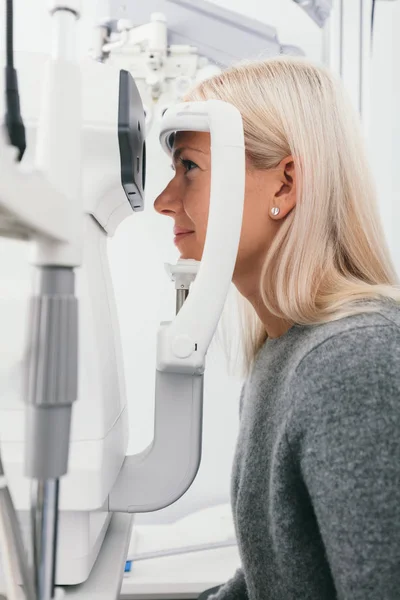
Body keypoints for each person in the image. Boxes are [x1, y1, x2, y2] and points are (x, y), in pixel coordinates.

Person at [154, 57, 400, 600]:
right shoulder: (284, 355)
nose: (164, 201)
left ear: (284, 184)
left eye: (189, 167)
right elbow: (279, 576)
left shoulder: (353, 362)